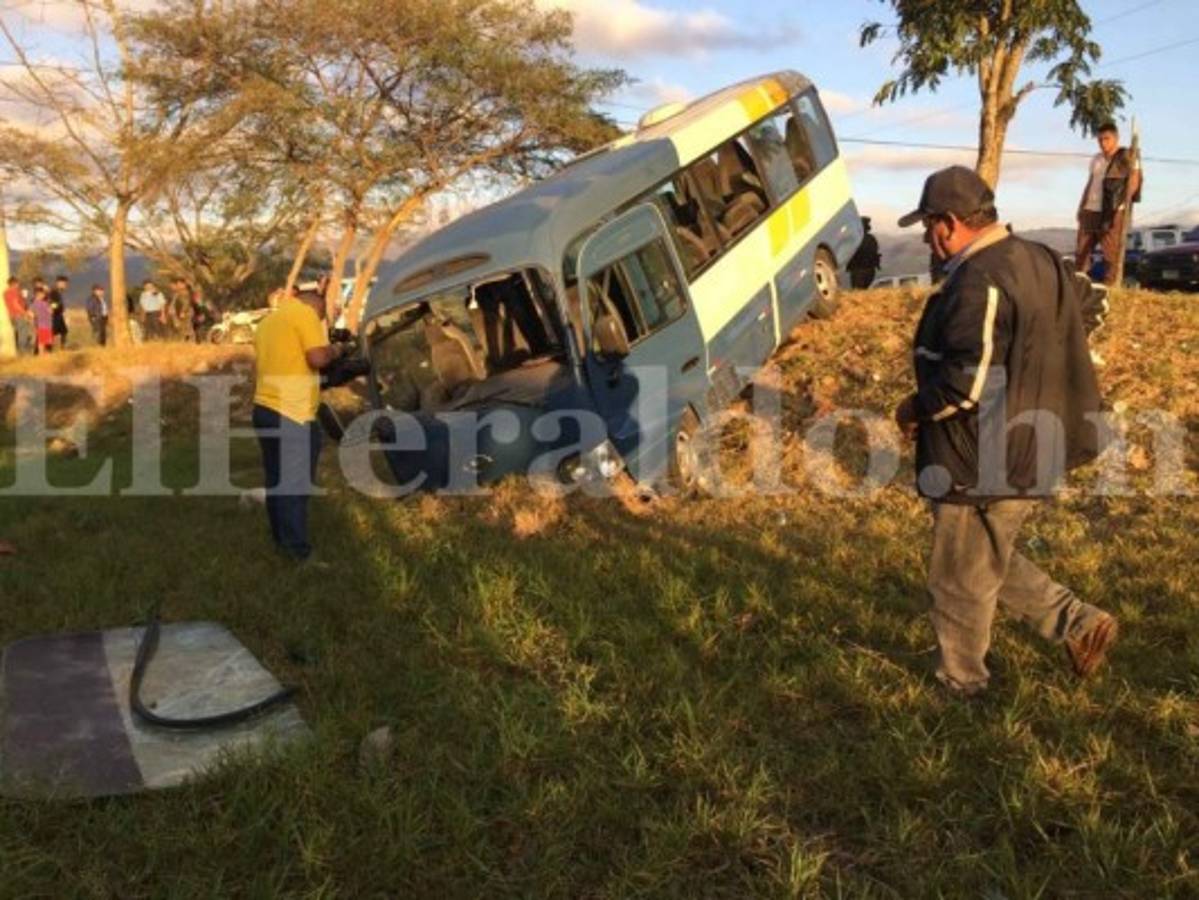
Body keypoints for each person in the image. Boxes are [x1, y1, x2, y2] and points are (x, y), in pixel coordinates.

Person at [894, 165, 1117, 697]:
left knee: (957, 574)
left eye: (928, 225)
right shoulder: (1040, 259)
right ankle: (1080, 625)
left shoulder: (980, 280)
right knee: (985, 554)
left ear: (949, 222)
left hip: (981, 453)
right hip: (1032, 443)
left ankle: (962, 683)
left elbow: (967, 383)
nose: (927, 237)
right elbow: (1094, 305)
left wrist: (913, 409)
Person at [252, 288, 349, 561]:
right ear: (316, 308)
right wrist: (337, 349)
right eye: (321, 317)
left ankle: (281, 542)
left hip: (264, 408)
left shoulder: (267, 322)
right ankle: (298, 553)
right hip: (292, 413)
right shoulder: (304, 313)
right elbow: (317, 358)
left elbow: (290, 365)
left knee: (275, 481)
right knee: (295, 486)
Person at [1075, 122, 1141, 285]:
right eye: (1100, 140)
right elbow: (1090, 183)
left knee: (1111, 253)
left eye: (1106, 139)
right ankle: (1079, 285)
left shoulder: (1126, 156)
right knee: (1081, 250)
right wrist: (1081, 206)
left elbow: (1134, 180)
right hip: (1090, 210)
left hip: (1113, 210)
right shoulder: (1096, 159)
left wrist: (1121, 205)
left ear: (1116, 138)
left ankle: (1111, 288)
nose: (1103, 143)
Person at [847, 216, 882, 289]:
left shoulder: (855, 239)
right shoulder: (871, 239)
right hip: (870, 270)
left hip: (859, 270)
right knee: (863, 290)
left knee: (858, 291)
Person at [4, 276, 31, 355]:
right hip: (19, 315)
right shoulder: (15, 291)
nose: (19, 284)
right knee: (23, 333)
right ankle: (23, 353)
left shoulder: (5, 292)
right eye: (17, 282)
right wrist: (25, 313)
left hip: (12, 316)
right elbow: (15, 304)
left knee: (19, 333)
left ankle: (21, 352)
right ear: (14, 283)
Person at [49, 275, 70, 350]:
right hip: (54, 315)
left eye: (66, 284)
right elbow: (52, 303)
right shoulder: (54, 291)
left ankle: (62, 348)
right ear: (59, 283)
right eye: (65, 284)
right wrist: (53, 308)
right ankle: (50, 349)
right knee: (52, 332)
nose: (66, 286)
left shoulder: (59, 291)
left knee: (64, 331)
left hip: (59, 314)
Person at [31, 286, 53, 355]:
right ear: (39, 294)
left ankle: (42, 356)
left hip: (40, 325)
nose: (44, 295)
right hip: (45, 325)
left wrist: (34, 324)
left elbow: (31, 315)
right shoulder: (44, 303)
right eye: (43, 294)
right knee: (45, 342)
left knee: (42, 342)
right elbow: (51, 312)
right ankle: (43, 356)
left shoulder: (33, 304)